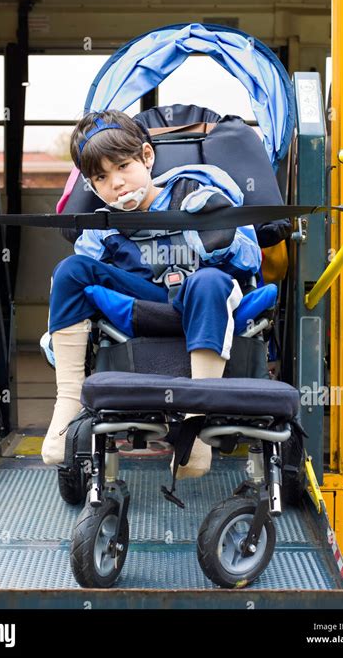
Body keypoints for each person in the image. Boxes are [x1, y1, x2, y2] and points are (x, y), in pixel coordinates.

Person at [41, 110, 262, 478]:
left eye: (123, 166)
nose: (117, 183)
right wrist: (55, 337)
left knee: (209, 279)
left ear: (147, 156)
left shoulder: (198, 195)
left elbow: (252, 259)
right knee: (70, 270)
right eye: (101, 177)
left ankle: (196, 427)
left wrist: (219, 239)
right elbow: (71, 288)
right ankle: (67, 405)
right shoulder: (103, 227)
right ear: (92, 187)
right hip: (144, 306)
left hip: (205, 302)